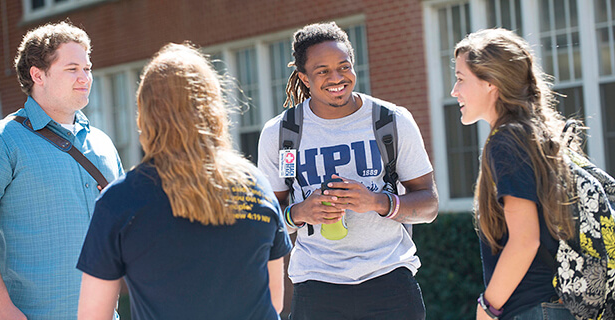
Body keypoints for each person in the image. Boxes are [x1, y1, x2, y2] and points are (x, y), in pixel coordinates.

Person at [76, 42, 293, 320]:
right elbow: (274, 301)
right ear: (214, 108)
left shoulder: (119, 201)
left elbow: (94, 316)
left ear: (145, 114)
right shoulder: (258, 185)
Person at [257, 22, 439, 319]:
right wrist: (301, 212)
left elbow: (429, 205)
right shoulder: (281, 134)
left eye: (344, 66)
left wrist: (379, 202)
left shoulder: (391, 121)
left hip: (390, 280)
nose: (337, 78)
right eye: (323, 71)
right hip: (315, 286)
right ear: (304, 77)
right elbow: (269, 218)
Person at [0, 21, 123, 319]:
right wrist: (1, 307)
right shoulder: (0, 140)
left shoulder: (103, 143)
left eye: (88, 68)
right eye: (72, 69)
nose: (85, 78)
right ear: (37, 75)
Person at [451, 28, 579, 320]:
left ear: (490, 84)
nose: (454, 91)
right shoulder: (537, 134)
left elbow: (525, 240)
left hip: (534, 309)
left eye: (460, 79)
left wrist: (488, 307)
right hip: (557, 305)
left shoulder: (506, 141)